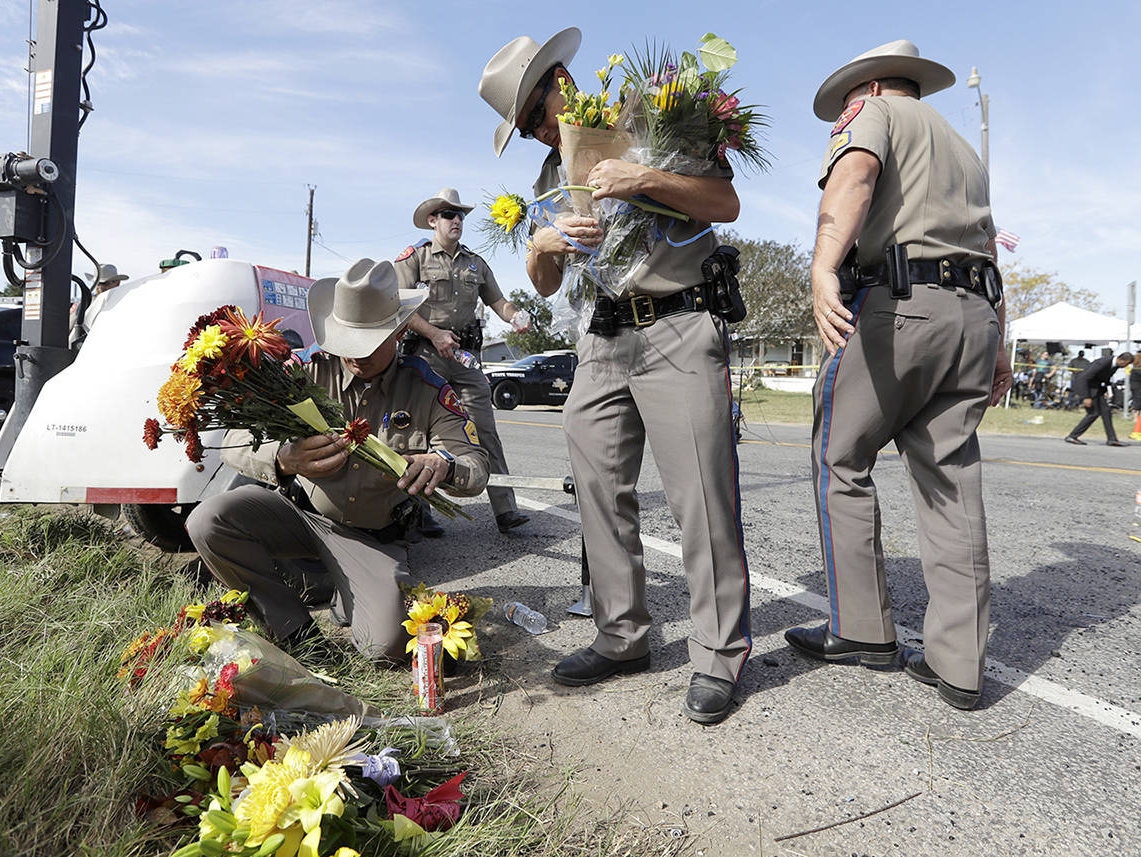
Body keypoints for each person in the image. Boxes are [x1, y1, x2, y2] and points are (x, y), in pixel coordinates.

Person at [480, 28, 751, 724]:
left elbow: (724, 204)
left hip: (678, 319)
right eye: (529, 127)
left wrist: (643, 178)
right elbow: (543, 285)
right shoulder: (549, 177)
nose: (542, 132)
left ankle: (720, 651)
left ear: (562, 80)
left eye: (539, 115)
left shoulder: (649, 115)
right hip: (602, 333)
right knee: (596, 478)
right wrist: (541, 245)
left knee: (699, 491)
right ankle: (622, 632)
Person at [783, 40, 1013, 711]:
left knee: (841, 456)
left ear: (875, 86)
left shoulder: (872, 115)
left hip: (902, 305)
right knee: (950, 477)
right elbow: (990, 246)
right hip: (974, 314)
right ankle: (959, 663)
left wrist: (824, 265)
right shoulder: (966, 152)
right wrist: (1001, 341)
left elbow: (853, 175)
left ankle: (862, 630)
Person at [186, 259, 489, 659]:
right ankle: (294, 630)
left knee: (386, 645)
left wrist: (443, 464)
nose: (356, 357)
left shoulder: (427, 389)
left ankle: (340, 585)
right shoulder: (304, 371)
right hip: (300, 515)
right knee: (208, 520)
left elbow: (475, 466)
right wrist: (283, 458)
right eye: (347, 342)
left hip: (370, 537)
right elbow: (236, 437)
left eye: (369, 343)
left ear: (398, 332)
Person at [394, 187, 532, 534]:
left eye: (461, 216)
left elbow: (499, 302)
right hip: (425, 355)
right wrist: (434, 334)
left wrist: (516, 315)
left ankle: (505, 509)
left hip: (464, 357)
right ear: (432, 220)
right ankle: (419, 511)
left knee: (485, 429)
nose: (457, 220)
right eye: (448, 215)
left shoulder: (476, 263)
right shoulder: (414, 259)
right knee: (417, 433)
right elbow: (400, 307)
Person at [1065, 351, 1133, 446]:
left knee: (1106, 412)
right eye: (1127, 364)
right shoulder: (1102, 362)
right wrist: (1086, 397)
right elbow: (1084, 377)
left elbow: (1104, 378)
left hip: (1097, 388)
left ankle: (1112, 439)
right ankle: (1072, 436)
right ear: (1122, 360)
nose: (1126, 366)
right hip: (1088, 388)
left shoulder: (1115, 365)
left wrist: (1108, 390)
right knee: (1093, 413)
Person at [69, 262, 128, 346]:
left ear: (117, 283)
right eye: (98, 283)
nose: (100, 288)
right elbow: (69, 327)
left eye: (105, 284)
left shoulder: (124, 304)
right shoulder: (84, 303)